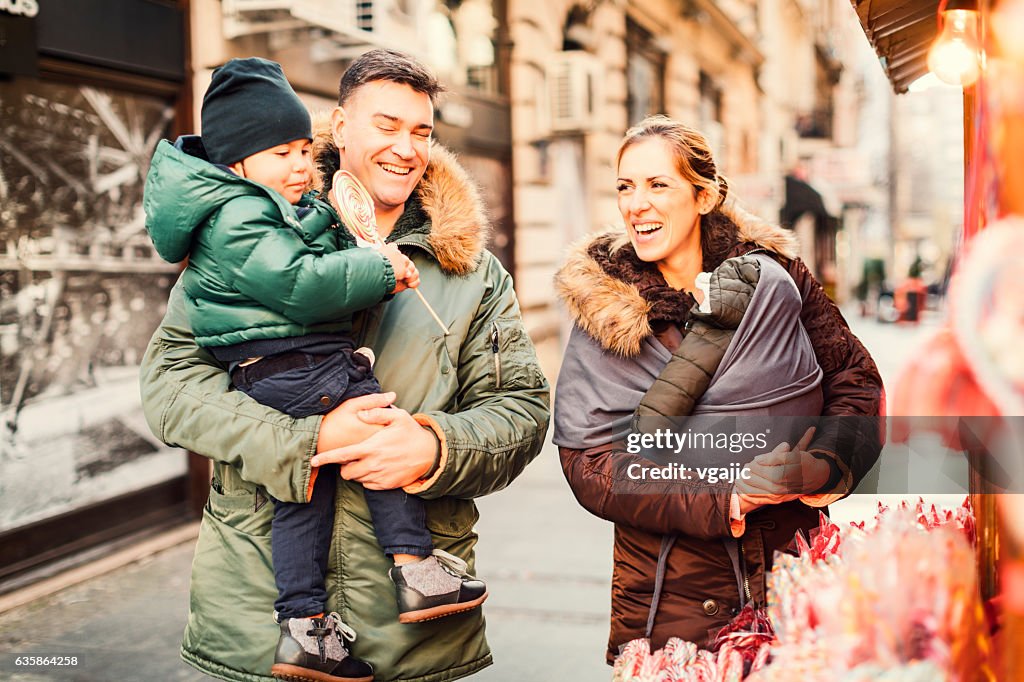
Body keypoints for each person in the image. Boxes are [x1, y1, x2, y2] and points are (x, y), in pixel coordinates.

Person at [139, 49, 550, 682]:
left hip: (409, 639)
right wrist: (302, 441)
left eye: (422, 132)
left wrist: (434, 445)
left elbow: (522, 413)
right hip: (254, 618)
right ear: (340, 125)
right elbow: (169, 388)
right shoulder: (251, 230)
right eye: (386, 125)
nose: (406, 148)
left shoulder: (472, 273)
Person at [553, 115, 883, 662]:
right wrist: (724, 494)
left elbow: (856, 382)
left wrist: (825, 462)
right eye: (625, 186)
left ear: (704, 195)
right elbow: (589, 463)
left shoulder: (778, 279)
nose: (637, 204)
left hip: (792, 578)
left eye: (658, 184)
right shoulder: (605, 309)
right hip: (670, 604)